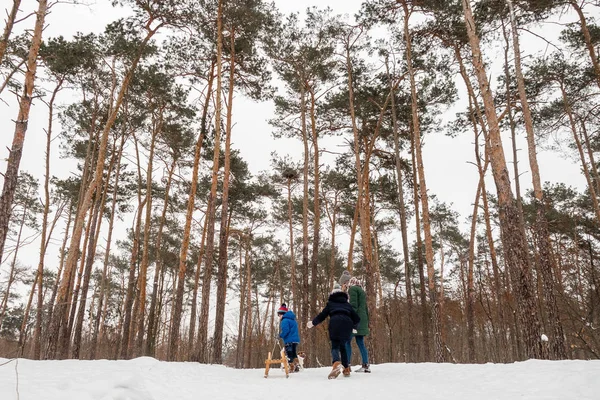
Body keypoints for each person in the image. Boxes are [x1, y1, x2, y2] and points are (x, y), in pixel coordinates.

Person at [306, 283, 360, 379]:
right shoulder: (347, 305)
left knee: (335, 345)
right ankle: (346, 368)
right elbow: (357, 318)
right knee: (343, 346)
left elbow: (322, 315)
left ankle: (336, 363)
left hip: (335, 323)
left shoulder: (331, 304)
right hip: (347, 324)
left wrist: (313, 323)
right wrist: (355, 327)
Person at [345, 276, 371, 373]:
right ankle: (365, 365)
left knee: (347, 341)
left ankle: (347, 364)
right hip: (363, 320)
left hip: (355, 320)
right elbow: (365, 308)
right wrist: (367, 322)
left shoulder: (353, 289)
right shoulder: (362, 291)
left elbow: (353, 305)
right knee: (360, 343)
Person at [278, 303, 300, 372]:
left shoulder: (284, 320)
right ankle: (296, 364)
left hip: (289, 340)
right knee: (294, 352)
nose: (279, 317)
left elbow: (286, 331)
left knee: (289, 353)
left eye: (279, 315)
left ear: (282, 314)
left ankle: (291, 366)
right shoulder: (293, 320)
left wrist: (280, 336)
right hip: (295, 340)